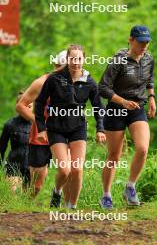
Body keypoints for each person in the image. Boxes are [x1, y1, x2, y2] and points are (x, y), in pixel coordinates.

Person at [35, 44, 106, 208]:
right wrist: (41, 128)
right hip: (56, 127)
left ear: (84, 60)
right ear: (67, 59)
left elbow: (98, 108)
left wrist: (100, 129)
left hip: (78, 128)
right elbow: (39, 104)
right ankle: (57, 191)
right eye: (72, 58)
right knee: (65, 170)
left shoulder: (89, 82)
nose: (76, 62)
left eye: (79, 59)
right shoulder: (54, 78)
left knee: (77, 170)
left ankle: (71, 207)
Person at [98, 25, 156, 208]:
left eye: (147, 42)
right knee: (114, 155)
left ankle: (130, 187)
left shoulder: (148, 59)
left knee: (143, 148)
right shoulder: (118, 60)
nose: (144, 45)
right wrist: (122, 102)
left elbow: (150, 79)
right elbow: (103, 88)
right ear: (130, 40)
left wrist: (152, 97)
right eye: (140, 42)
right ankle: (106, 195)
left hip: (137, 108)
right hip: (116, 109)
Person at [16, 50, 67, 196]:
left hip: (64, 134)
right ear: (55, 64)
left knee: (67, 170)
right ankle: (27, 205)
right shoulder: (41, 83)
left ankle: (59, 196)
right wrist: (38, 121)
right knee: (37, 185)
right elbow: (20, 106)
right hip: (41, 137)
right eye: (61, 67)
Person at [0, 91, 32, 192]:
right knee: (13, 193)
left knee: (27, 199)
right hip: (13, 166)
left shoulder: (38, 124)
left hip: (31, 168)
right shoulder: (10, 124)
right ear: (18, 107)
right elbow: (2, 147)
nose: (26, 109)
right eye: (24, 106)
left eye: (29, 106)